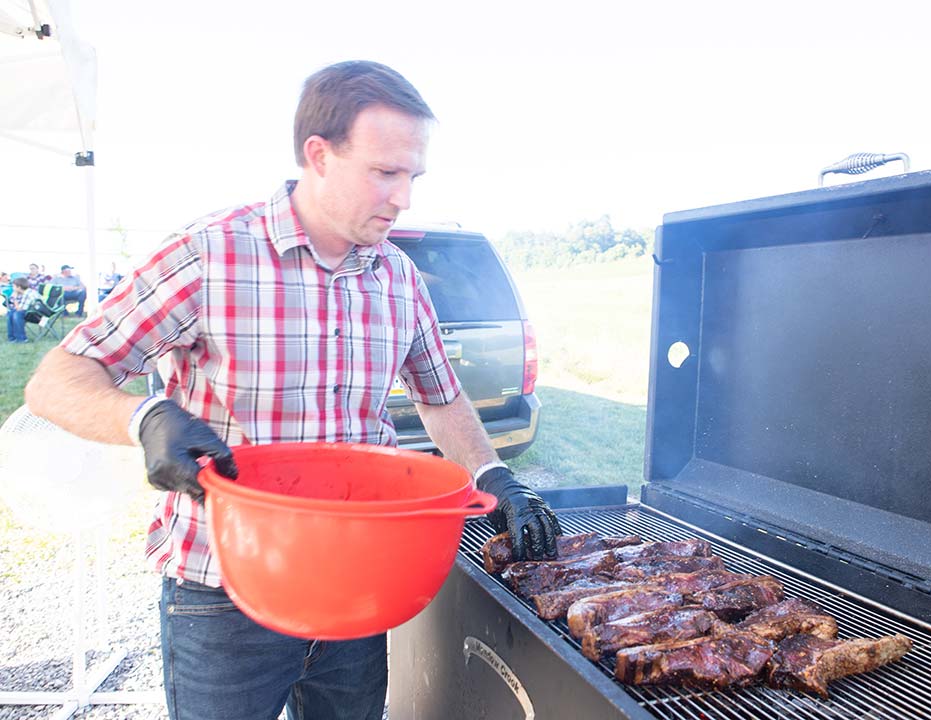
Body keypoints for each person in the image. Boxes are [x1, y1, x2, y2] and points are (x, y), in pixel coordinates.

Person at [25, 60, 561, 720]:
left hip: (361, 587)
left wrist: (494, 473)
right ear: (320, 154)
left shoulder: (398, 276)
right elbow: (58, 378)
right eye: (385, 172)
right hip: (225, 595)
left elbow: (441, 397)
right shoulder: (209, 254)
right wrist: (145, 419)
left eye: (413, 176)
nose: (404, 197)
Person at [7, 277, 43, 343]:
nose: (13, 288)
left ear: (19, 287)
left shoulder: (28, 293)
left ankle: (21, 339)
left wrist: (15, 297)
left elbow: (19, 309)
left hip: (39, 316)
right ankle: (12, 338)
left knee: (17, 314)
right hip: (31, 312)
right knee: (11, 313)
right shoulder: (24, 292)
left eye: (14, 286)